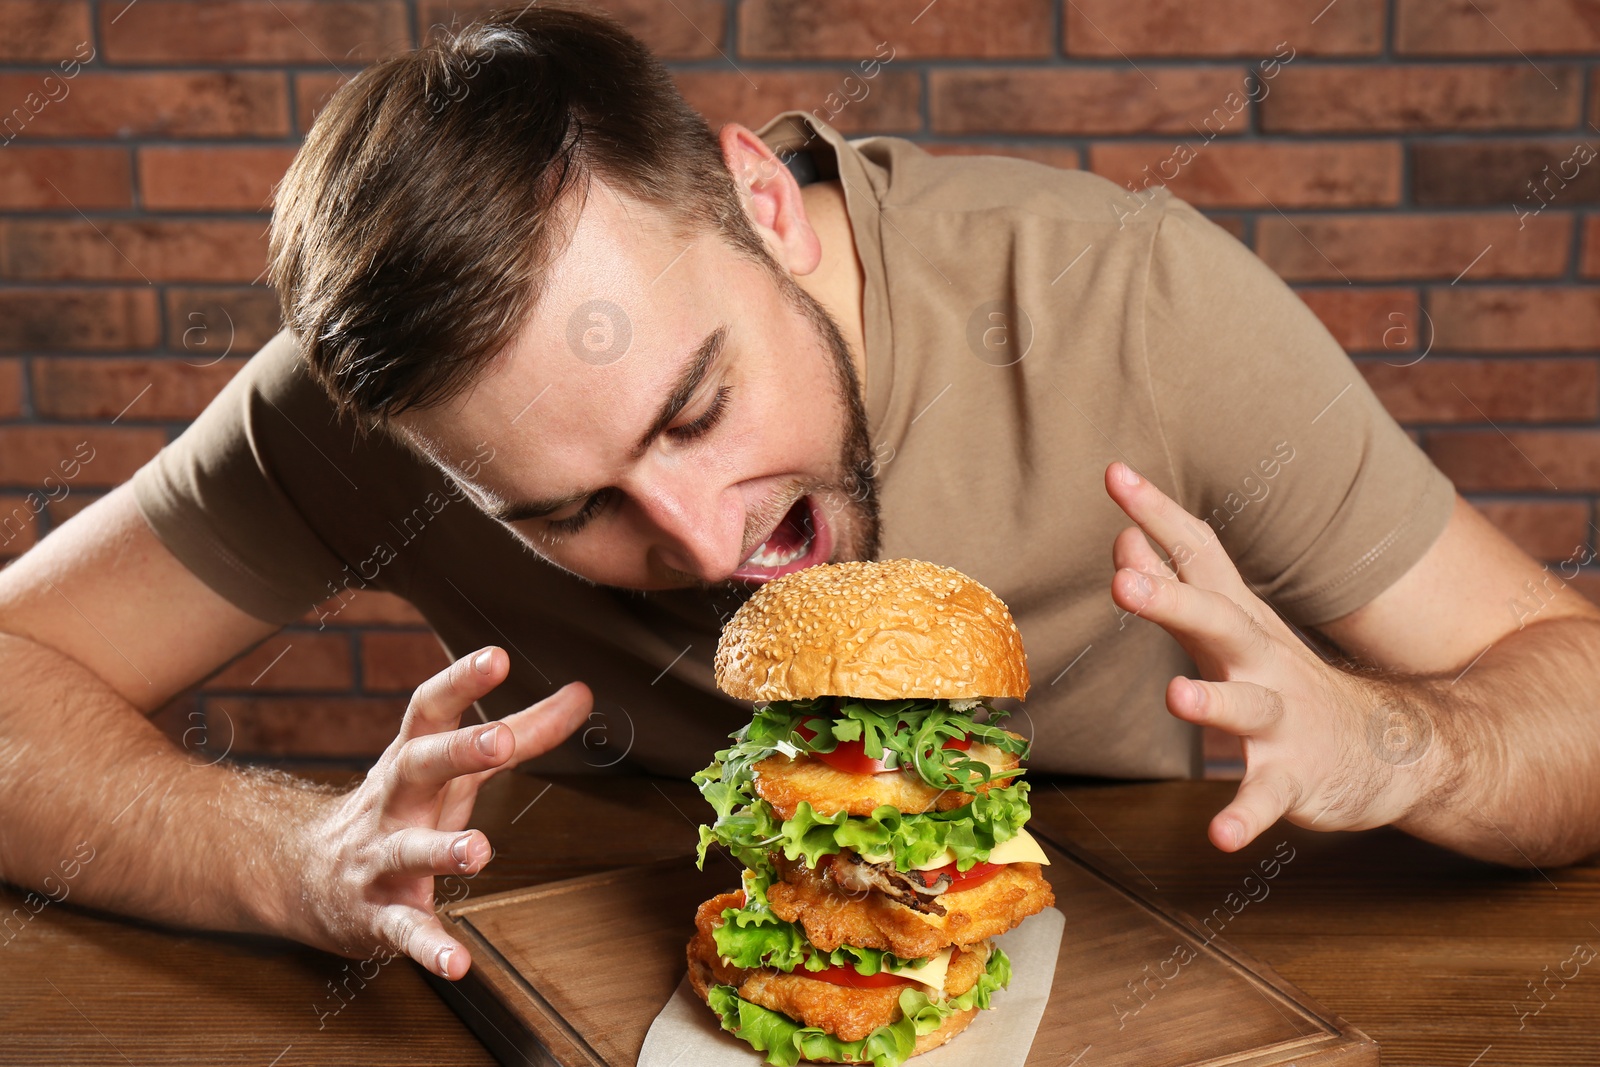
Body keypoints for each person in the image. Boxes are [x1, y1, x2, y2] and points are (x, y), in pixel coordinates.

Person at [1, 5, 1597, 984]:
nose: (700, 542)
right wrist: (289, 860)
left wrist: (1396, 738)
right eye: (565, 514)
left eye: (696, 406)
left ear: (761, 197)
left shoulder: (1134, 306)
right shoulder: (369, 413)